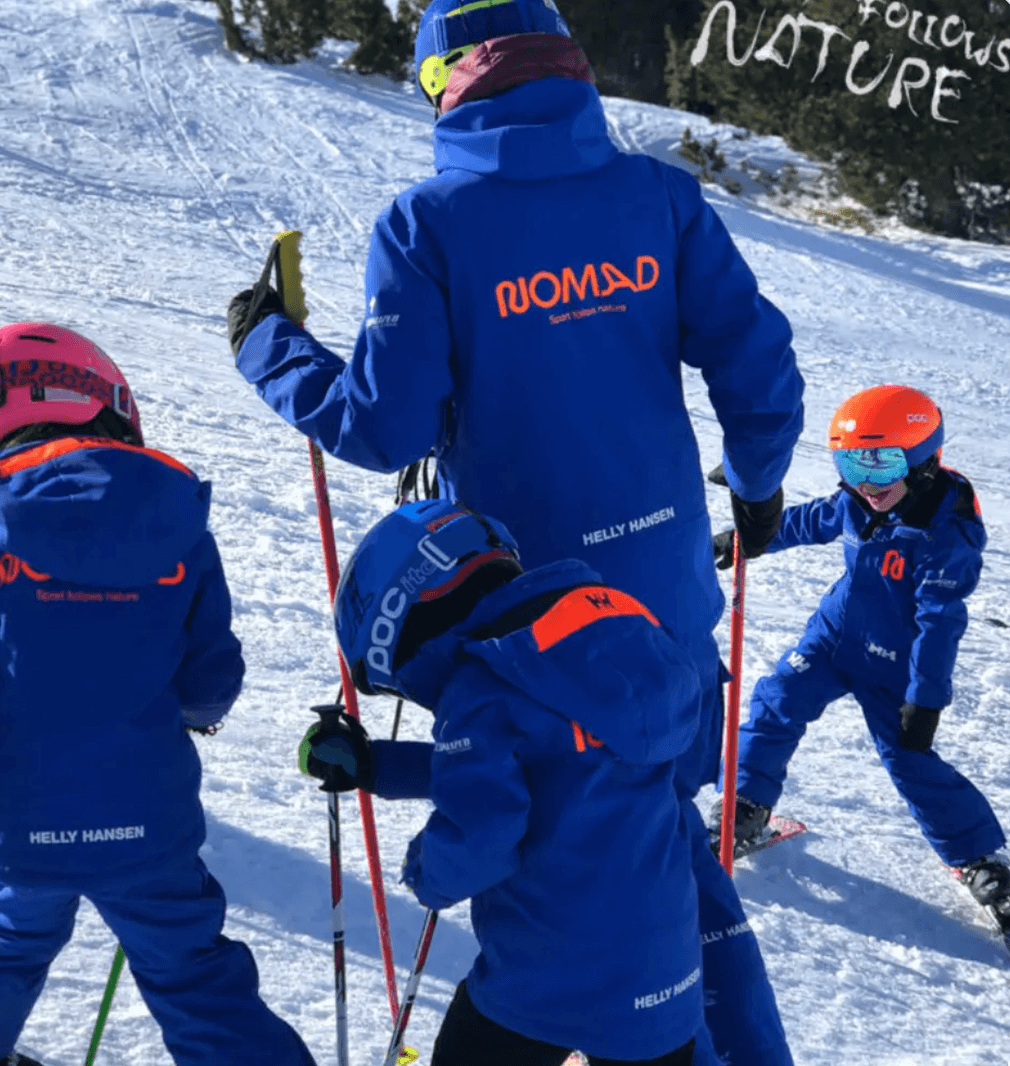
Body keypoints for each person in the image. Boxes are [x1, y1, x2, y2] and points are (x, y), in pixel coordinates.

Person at [228, 1, 805, 1061]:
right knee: (658, 841)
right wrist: (759, 486)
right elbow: (758, 364)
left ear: (447, 80)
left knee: (556, 844)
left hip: (517, 620)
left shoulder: (431, 221)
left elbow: (383, 423)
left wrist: (270, 346)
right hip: (663, 601)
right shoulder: (656, 196)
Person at [0, 323, 318, 1066]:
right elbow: (210, 674)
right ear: (105, 397)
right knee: (194, 971)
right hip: (146, 825)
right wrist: (196, 711)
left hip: (19, 828)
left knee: (5, 949)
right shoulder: (173, 526)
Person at [300, 499, 705, 1066]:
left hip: (547, 976)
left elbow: (481, 837)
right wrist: (375, 766)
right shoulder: (606, 640)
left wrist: (428, 872)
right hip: (666, 971)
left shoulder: (481, 684)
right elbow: (537, 763)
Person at [710, 385, 1010, 932]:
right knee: (775, 703)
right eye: (851, 461)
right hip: (833, 637)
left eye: (883, 461)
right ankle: (745, 807)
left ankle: (980, 858)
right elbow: (808, 521)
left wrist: (925, 701)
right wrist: (746, 539)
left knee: (910, 761)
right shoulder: (857, 498)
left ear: (923, 458)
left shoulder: (947, 535)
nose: (867, 480)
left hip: (894, 665)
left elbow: (939, 624)